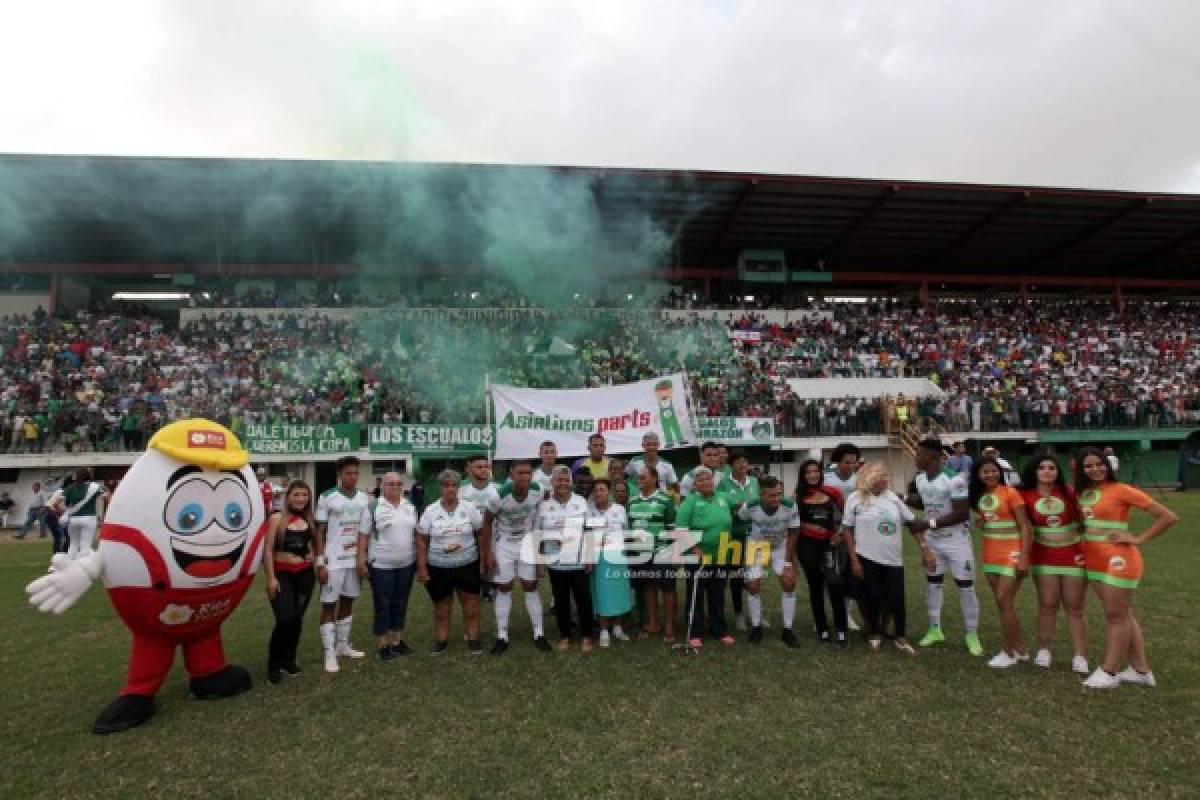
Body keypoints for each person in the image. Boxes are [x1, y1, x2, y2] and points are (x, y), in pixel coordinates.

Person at [1074, 447, 1179, 689]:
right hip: (1093, 559)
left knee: (1116, 616)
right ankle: (1141, 671)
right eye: (1088, 466)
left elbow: (1168, 517)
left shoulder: (1122, 490)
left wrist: (1138, 539)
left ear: (1108, 465)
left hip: (1118, 560)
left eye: (1099, 464)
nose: (1095, 469)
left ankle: (1109, 672)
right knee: (1123, 615)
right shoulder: (1085, 493)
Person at [841, 463, 934, 654]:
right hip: (866, 557)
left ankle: (900, 636)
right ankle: (874, 633)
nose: (886, 479)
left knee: (896, 598)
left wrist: (925, 549)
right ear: (870, 477)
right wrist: (854, 559)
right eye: (882, 476)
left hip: (893, 559)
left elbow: (911, 523)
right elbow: (848, 530)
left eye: (886, 476)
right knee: (872, 597)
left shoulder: (893, 498)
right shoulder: (854, 499)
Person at [911, 438, 984, 656]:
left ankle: (972, 634)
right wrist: (901, 498)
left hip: (956, 540)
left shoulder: (955, 480)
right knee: (933, 583)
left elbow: (962, 513)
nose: (916, 457)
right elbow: (925, 501)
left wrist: (928, 524)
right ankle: (935, 629)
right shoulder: (921, 479)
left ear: (932, 456)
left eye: (919, 454)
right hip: (934, 541)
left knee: (965, 586)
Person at [1019, 455, 1089, 674]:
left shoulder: (1069, 492)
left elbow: (1085, 521)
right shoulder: (1024, 495)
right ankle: (1044, 650)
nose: (1047, 471)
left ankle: (1080, 656)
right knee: (1047, 604)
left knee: (1075, 606)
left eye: (1052, 468)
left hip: (1073, 555)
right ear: (1034, 471)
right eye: (1042, 467)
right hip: (1043, 555)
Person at [480, 459, 551, 655]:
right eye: (521, 473)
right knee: (504, 587)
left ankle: (539, 633)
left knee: (530, 585)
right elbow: (486, 524)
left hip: (527, 542)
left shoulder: (538, 490)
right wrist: (487, 553)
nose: (525, 477)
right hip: (504, 544)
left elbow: (541, 513)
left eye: (528, 473)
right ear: (511, 474)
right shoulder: (498, 495)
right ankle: (502, 636)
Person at [969, 457, 1034, 668]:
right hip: (990, 554)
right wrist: (982, 522)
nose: (990, 475)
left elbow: (1025, 526)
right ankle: (1020, 649)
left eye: (993, 471)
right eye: (985, 472)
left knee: (1003, 599)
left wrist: (1024, 556)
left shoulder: (1010, 492)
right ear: (978, 475)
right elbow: (987, 519)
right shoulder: (980, 496)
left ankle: (1008, 652)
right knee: (1004, 604)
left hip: (1012, 553)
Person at [416, 470, 485, 655]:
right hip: (439, 567)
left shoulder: (469, 508)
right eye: (446, 485)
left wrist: (483, 560)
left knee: (471, 604)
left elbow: (481, 534)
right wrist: (422, 567)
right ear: (440, 488)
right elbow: (422, 540)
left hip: (467, 564)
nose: (450, 489)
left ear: (458, 488)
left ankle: (473, 639)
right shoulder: (430, 511)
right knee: (441, 607)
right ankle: (441, 640)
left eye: (454, 485)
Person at [314, 456, 372, 673]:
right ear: (340, 474)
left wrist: (361, 558)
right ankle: (329, 652)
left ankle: (342, 646)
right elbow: (319, 531)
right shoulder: (327, 497)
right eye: (348, 473)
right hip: (333, 560)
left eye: (356, 473)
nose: (353, 477)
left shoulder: (364, 499)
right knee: (329, 604)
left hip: (352, 560)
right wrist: (320, 562)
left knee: (348, 602)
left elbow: (365, 532)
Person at [737, 475, 801, 647]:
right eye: (772, 495)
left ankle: (788, 629)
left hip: (780, 547)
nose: (777, 498)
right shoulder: (750, 506)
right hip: (757, 546)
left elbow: (794, 532)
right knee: (753, 585)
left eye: (779, 494)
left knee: (789, 582)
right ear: (762, 495)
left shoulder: (790, 506)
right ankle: (756, 626)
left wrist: (788, 563)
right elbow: (741, 518)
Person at [263, 480, 317, 683]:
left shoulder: (310, 519)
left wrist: (313, 554)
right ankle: (274, 664)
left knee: (296, 620)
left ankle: (289, 659)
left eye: (304, 495)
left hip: (305, 575)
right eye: (296, 495)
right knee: (285, 618)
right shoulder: (277, 518)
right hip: (282, 574)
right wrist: (271, 577)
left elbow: (315, 543)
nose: (301, 499)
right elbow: (267, 550)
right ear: (288, 497)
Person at [360, 472, 418, 660]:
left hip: (406, 563)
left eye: (398, 483)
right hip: (381, 565)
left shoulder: (409, 505)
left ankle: (397, 641)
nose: (395, 486)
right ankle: (382, 646)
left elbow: (415, 534)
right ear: (382, 486)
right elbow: (363, 536)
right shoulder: (373, 506)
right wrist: (361, 560)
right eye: (390, 483)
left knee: (401, 603)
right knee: (382, 605)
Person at [538, 466, 595, 652]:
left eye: (565, 479)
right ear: (552, 482)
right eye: (558, 480)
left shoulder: (580, 501)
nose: (562, 483)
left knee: (583, 599)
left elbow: (589, 530)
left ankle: (587, 635)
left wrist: (589, 555)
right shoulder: (544, 505)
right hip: (555, 563)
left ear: (570, 482)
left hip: (578, 561)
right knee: (560, 600)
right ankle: (565, 635)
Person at [677, 466, 735, 647]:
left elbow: (739, 509)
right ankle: (695, 631)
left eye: (708, 479)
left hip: (721, 554)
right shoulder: (690, 502)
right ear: (694, 484)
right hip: (698, 557)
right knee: (697, 594)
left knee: (717, 593)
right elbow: (680, 530)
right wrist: (694, 548)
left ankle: (719, 630)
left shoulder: (723, 498)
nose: (706, 482)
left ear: (713, 481)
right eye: (701, 480)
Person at [794, 461, 848, 645]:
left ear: (820, 473)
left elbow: (848, 516)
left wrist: (840, 534)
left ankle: (841, 629)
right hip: (807, 544)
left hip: (830, 544)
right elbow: (792, 523)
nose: (812, 475)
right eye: (808, 472)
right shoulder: (797, 496)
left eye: (816, 471)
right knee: (815, 586)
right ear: (803, 475)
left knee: (835, 583)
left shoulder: (833, 492)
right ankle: (822, 628)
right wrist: (808, 526)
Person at [627, 465, 678, 641]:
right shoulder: (632, 502)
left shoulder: (665, 500)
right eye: (638, 478)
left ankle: (670, 625)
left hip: (661, 551)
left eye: (643, 477)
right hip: (641, 554)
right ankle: (653, 623)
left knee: (668, 589)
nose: (639, 481)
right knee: (648, 587)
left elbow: (672, 528)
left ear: (654, 479)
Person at [718, 449, 759, 631]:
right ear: (731, 464)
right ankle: (739, 614)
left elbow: (760, 504)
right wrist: (736, 509)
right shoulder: (723, 484)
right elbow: (721, 508)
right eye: (738, 462)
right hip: (733, 536)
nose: (742, 465)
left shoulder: (755, 482)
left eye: (745, 461)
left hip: (755, 536)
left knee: (755, 575)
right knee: (735, 576)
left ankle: (756, 614)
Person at [588, 478, 632, 647]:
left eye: (602, 490)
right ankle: (604, 630)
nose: (599, 493)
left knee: (620, 593)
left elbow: (625, 532)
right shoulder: (589, 512)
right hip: (599, 559)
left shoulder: (620, 510)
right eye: (596, 490)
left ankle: (618, 627)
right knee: (602, 594)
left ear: (609, 493)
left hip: (618, 557)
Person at [823, 443, 862, 631]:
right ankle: (820, 616)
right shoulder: (826, 480)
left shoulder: (859, 481)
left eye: (854, 463)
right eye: (847, 462)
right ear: (838, 461)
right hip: (829, 532)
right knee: (827, 574)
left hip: (851, 533)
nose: (851, 466)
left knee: (848, 575)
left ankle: (846, 615)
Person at [460, 454, 498, 600]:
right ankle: (476, 589)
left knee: (492, 566)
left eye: (486, 467)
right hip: (468, 536)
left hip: (493, 535)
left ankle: (490, 588)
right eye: (479, 467)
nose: (484, 470)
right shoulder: (460, 489)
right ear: (469, 469)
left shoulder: (498, 488)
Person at [63, 468, 106, 561]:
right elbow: (106, 495)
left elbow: (66, 504)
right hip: (89, 517)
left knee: (73, 544)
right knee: (85, 545)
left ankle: (69, 565)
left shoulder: (69, 488)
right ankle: (82, 566)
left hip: (73, 519)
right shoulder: (94, 487)